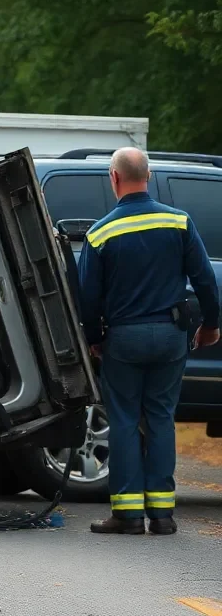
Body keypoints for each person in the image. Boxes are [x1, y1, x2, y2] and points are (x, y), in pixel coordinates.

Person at [78, 147, 220, 535]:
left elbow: (87, 297)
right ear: (150, 176)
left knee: (123, 420)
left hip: (124, 338)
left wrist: (94, 339)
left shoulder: (101, 232)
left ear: (114, 178)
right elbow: (205, 280)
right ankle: (162, 515)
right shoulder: (179, 222)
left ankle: (126, 514)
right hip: (171, 336)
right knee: (160, 417)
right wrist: (210, 325)